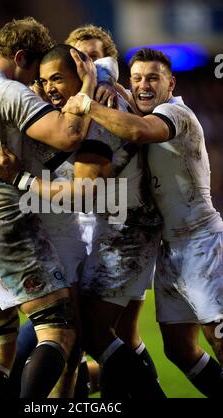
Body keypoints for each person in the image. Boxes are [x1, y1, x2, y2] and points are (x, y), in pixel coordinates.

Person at [0, 43, 166, 399]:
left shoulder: (100, 113)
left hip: (124, 229)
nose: (49, 87)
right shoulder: (60, 111)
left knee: (86, 334)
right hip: (102, 229)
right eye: (44, 80)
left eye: (58, 78)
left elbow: (83, 192)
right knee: (81, 337)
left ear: (81, 71)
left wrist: (19, 180)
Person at [0, 17, 96, 399]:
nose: (36, 85)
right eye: (34, 74)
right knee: (59, 326)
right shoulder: (5, 90)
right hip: (0, 224)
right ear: (21, 57)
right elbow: (69, 133)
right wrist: (88, 86)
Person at [63, 47, 223, 398]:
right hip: (170, 250)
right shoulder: (139, 108)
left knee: (217, 336)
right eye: (136, 79)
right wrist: (110, 88)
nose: (143, 85)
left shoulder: (175, 113)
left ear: (171, 83)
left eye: (153, 78)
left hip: (202, 242)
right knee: (179, 348)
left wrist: (87, 103)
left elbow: (138, 130)